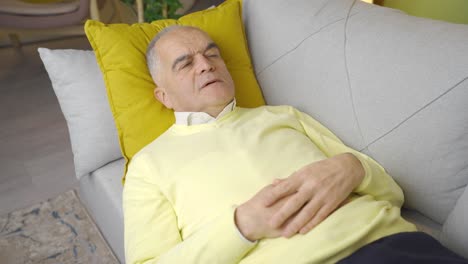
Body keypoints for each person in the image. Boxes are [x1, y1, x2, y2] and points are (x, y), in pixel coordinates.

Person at [123, 25, 468, 264]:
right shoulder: (148, 164)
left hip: (393, 244)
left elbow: (391, 192)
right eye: (186, 63)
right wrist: (241, 225)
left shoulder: (282, 116)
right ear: (163, 96)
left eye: (213, 55)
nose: (206, 65)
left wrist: (353, 167)